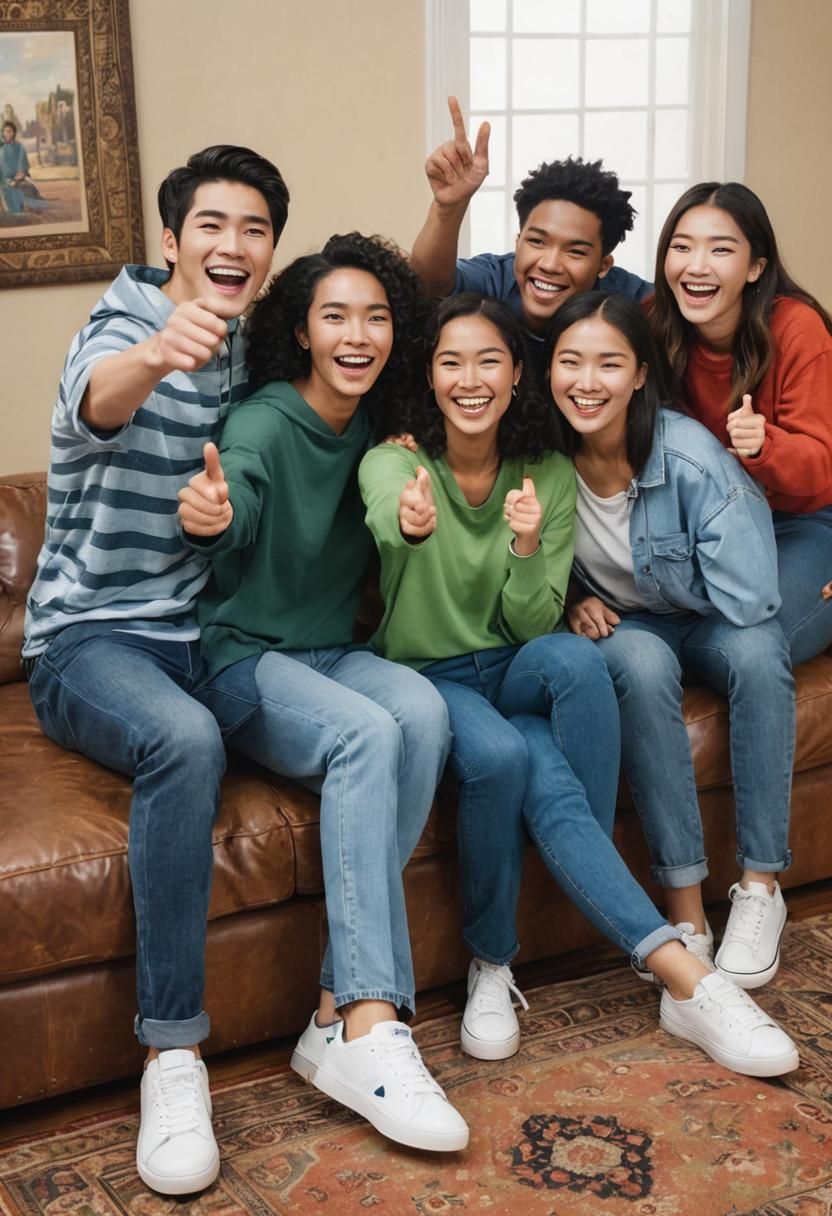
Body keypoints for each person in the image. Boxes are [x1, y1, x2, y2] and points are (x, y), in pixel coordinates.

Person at [358, 291, 799, 1079]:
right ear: (426, 376)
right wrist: (412, 520)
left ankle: (633, 916)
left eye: (489, 360)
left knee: (577, 660)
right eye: (450, 362)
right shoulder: (394, 460)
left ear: (517, 372)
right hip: (430, 674)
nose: (470, 379)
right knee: (504, 760)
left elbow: (532, 626)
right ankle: (526, 967)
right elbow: (392, 516)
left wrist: (528, 547)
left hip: (513, 664)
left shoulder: (547, 471)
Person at [22, 144, 290, 1196]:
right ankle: (172, 1053)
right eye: (212, 225)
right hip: (87, 641)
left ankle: (353, 1017)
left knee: (363, 713)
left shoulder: (249, 343)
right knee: (183, 740)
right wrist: (156, 356)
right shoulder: (129, 322)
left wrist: (443, 210)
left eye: (256, 228)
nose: (233, 244)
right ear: (171, 240)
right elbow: (98, 395)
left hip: (201, 631)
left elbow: (368, 313)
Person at [177, 233, 468, 1154]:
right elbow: (241, 504)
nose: (357, 333)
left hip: (329, 650)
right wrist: (218, 518)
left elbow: (390, 505)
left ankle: (331, 1015)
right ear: (301, 330)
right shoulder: (265, 419)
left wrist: (414, 517)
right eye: (335, 315)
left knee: (423, 712)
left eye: (376, 316)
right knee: (365, 738)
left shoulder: (383, 427)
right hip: (240, 657)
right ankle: (374, 1026)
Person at [547, 289, 798, 1003]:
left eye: (608, 363)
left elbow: (751, 599)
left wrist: (687, 565)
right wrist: (572, 599)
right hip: (634, 627)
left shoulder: (689, 456)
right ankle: (685, 914)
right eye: (569, 361)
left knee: (757, 652)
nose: (586, 382)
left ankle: (759, 886)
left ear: (640, 376)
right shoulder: (541, 456)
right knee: (638, 660)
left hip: (715, 612)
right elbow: (528, 553)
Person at [648, 181, 832, 668]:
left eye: (721, 249)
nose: (696, 265)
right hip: (708, 526)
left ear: (755, 267)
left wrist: (764, 446)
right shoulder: (652, 322)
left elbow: (820, 467)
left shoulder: (796, 327)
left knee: (750, 646)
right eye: (681, 247)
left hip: (798, 522)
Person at [409, 96, 652, 374]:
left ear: (603, 266)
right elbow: (426, 284)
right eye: (536, 241)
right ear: (517, 242)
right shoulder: (496, 280)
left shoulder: (629, 299)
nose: (549, 264)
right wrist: (447, 208)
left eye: (575, 251)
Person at [0, 119, 47, 213]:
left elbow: (22, 168)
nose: (8, 134)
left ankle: (30, 206)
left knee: (25, 193)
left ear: (14, 133)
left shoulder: (19, 147)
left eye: (10, 131)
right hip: (4, 181)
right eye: (5, 131)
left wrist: (17, 178)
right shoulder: (1, 148)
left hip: (18, 180)